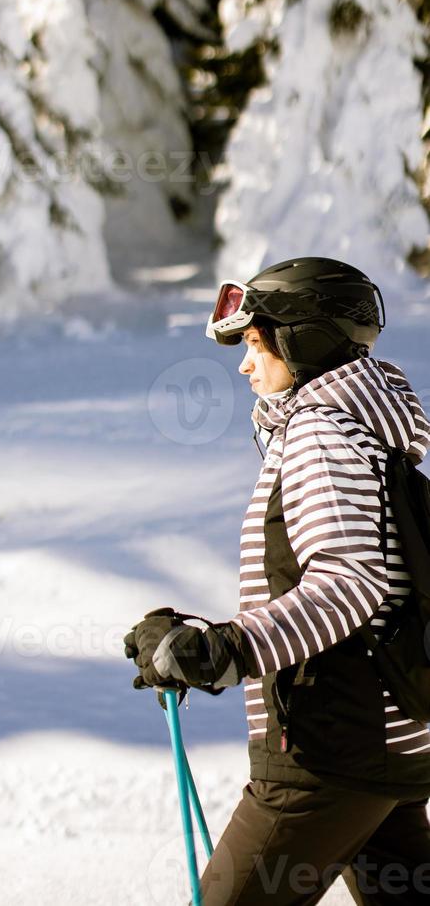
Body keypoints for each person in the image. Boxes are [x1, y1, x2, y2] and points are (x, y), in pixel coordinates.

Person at [124, 257, 430, 904]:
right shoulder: (363, 435)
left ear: (304, 339)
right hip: (382, 745)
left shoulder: (322, 434)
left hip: (329, 750)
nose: (244, 365)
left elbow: (349, 582)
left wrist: (224, 650)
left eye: (257, 344)